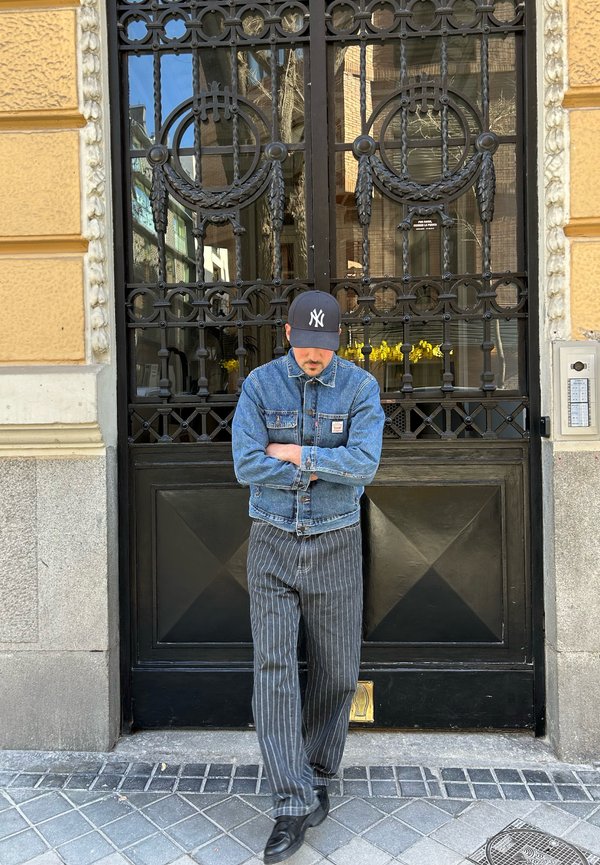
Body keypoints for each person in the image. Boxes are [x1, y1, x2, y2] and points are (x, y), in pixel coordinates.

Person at [231, 290, 385, 863]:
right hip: (270, 541)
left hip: (336, 543)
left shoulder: (361, 389)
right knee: (273, 668)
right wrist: (325, 466)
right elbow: (246, 463)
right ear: (290, 335)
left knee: (338, 669)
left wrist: (295, 453)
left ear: (335, 341)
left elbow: (363, 466)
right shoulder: (260, 385)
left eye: (325, 347)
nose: (314, 357)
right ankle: (290, 800)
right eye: (306, 345)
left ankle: (318, 770)